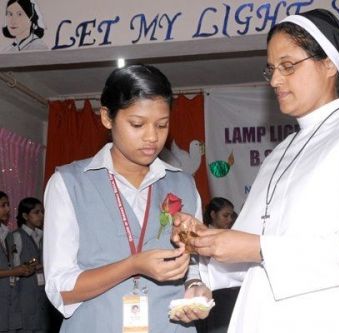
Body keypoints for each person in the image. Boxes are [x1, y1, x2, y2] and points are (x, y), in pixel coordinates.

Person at [172, 9, 339, 332]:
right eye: (272, 69)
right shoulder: (280, 153)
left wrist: (260, 248)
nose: (275, 80)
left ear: (329, 63)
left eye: (288, 66)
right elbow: (245, 251)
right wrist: (203, 250)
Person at [43, 64, 212, 333]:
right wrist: (132, 265)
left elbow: (195, 266)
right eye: (137, 124)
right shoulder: (68, 183)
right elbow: (59, 289)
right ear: (107, 118)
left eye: (162, 125)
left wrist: (195, 288)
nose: (152, 137)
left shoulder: (185, 184)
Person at [7, 197, 54, 333]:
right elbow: (14, 267)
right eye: (36, 212)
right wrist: (36, 265)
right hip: (24, 297)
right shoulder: (17, 236)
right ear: (25, 215)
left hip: (42, 297)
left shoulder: (44, 236)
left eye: (42, 212)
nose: (41, 216)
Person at [197, 198, 239, 333]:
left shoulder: (233, 234)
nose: (229, 220)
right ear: (213, 215)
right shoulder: (201, 236)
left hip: (232, 294)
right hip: (213, 296)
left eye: (231, 216)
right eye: (225, 215)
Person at [0, 191, 34, 332]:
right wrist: (14, 271)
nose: (8, 209)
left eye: (8, 205)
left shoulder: (7, 234)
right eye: (3, 205)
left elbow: (9, 265)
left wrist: (22, 270)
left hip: (10, 297)